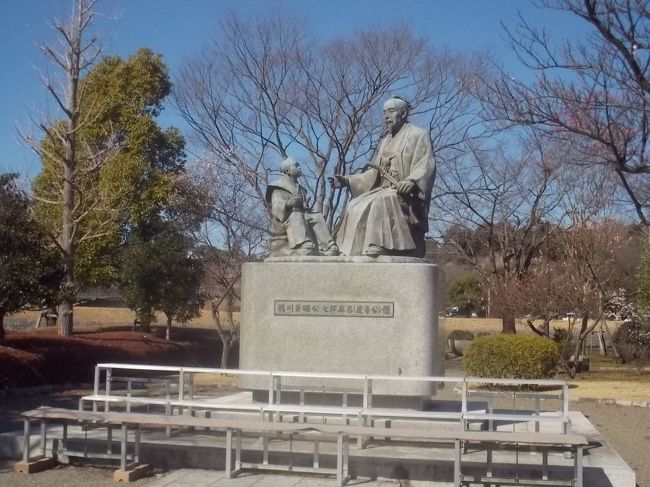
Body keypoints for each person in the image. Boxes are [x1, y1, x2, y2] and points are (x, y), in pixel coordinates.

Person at [330, 96, 436, 257]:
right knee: (354, 205)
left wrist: (412, 180)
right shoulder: (385, 141)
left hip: (407, 194)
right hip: (384, 188)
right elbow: (374, 173)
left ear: (404, 113)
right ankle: (349, 249)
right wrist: (347, 180)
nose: (386, 116)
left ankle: (381, 244)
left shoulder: (419, 134)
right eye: (384, 112)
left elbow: (426, 164)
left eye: (391, 111)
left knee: (382, 200)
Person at [266, 157, 339, 257]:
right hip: (285, 221)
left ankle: (327, 246)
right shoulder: (278, 187)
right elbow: (276, 208)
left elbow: (304, 208)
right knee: (297, 214)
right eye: (296, 165)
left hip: (302, 217)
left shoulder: (301, 189)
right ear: (287, 170)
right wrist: (288, 203)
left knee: (316, 216)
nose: (300, 167)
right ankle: (302, 244)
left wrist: (305, 207)